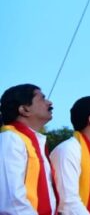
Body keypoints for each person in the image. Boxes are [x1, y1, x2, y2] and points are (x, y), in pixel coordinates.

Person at [0, 84, 58, 215]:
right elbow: (11, 201)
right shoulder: (10, 139)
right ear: (24, 109)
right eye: (42, 99)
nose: (50, 102)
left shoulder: (36, 143)